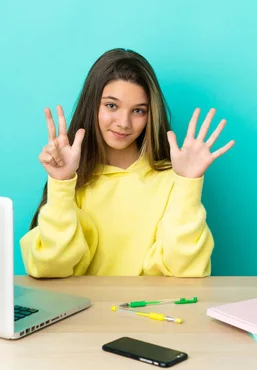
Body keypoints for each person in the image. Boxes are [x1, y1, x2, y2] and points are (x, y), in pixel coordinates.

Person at [20, 48, 235, 278]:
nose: (124, 123)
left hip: (150, 311)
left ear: (150, 114)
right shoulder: (72, 178)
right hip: (85, 312)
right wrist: (60, 183)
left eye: (138, 111)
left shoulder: (171, 180)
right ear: (92, 105)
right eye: (111, 106)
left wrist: (188, 184)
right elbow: (49, 268)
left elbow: (186, 271)